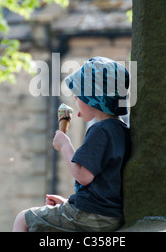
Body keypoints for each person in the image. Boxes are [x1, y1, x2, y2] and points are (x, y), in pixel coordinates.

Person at [13, 57, 131, 232]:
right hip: (109, 215)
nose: (75, 97)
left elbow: (83, 176)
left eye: (79, 93)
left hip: (93, 216)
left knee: (23, 219)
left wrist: (65, 145)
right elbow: (104, 185)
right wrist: (69, 203)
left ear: (93, 98)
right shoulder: (121, 130)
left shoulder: (100, 130)